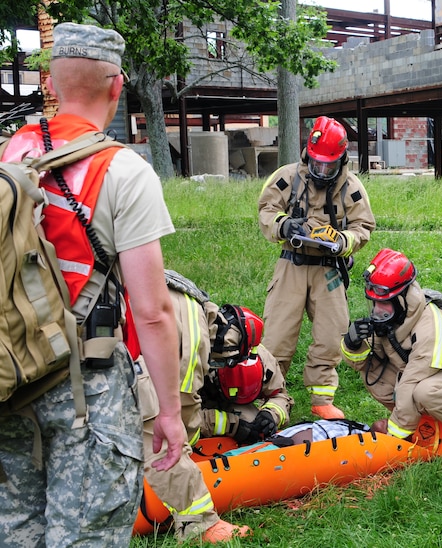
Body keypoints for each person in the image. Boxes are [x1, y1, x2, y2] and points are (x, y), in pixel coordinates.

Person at [0, 23, 185, 546]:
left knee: (13, 530)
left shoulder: (9, 156)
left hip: (9, 372)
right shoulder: (124, 170)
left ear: (51, 85)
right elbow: (152, 312)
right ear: (117, 85)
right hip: (86, 387)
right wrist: (169, 413)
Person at [258, 116, 375, 420]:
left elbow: (364, 226)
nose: (322, 171)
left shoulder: (351, 186)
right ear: (307, 154)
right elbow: (267, 210)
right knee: (277, 336)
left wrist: (342, 241)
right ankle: (272, 397)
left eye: (329, 166)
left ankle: (322, 399)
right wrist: (284, 226)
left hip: (329, 269)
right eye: (317, 164)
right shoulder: (286, 177)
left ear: (341, 160)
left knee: (331, 334)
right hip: (291, 266)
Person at [341, 248, 442, 464]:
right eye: (374, 303)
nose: (377, 310)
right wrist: (352, 343)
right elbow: (366, 364)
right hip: (425, 376)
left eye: (383, 303)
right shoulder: (394, 316)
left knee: (425, 391)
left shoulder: (430, 325)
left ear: (402, 299)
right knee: (375, 375)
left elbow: (412, 381)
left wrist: (392, 440)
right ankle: (421, 425)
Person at [138, 271, 251, 542]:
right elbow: (183, 399)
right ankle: (199, 525)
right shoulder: (190, 318)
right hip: (122, 315)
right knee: (157, 432)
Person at [200, 304, 294, 442]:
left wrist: (271, 415)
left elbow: (280, 395)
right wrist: (232, 426)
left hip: (229, 406)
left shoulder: (265, 362)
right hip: (197, 404)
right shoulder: (199, 362)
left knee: (254, 426)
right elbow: (183, 416)